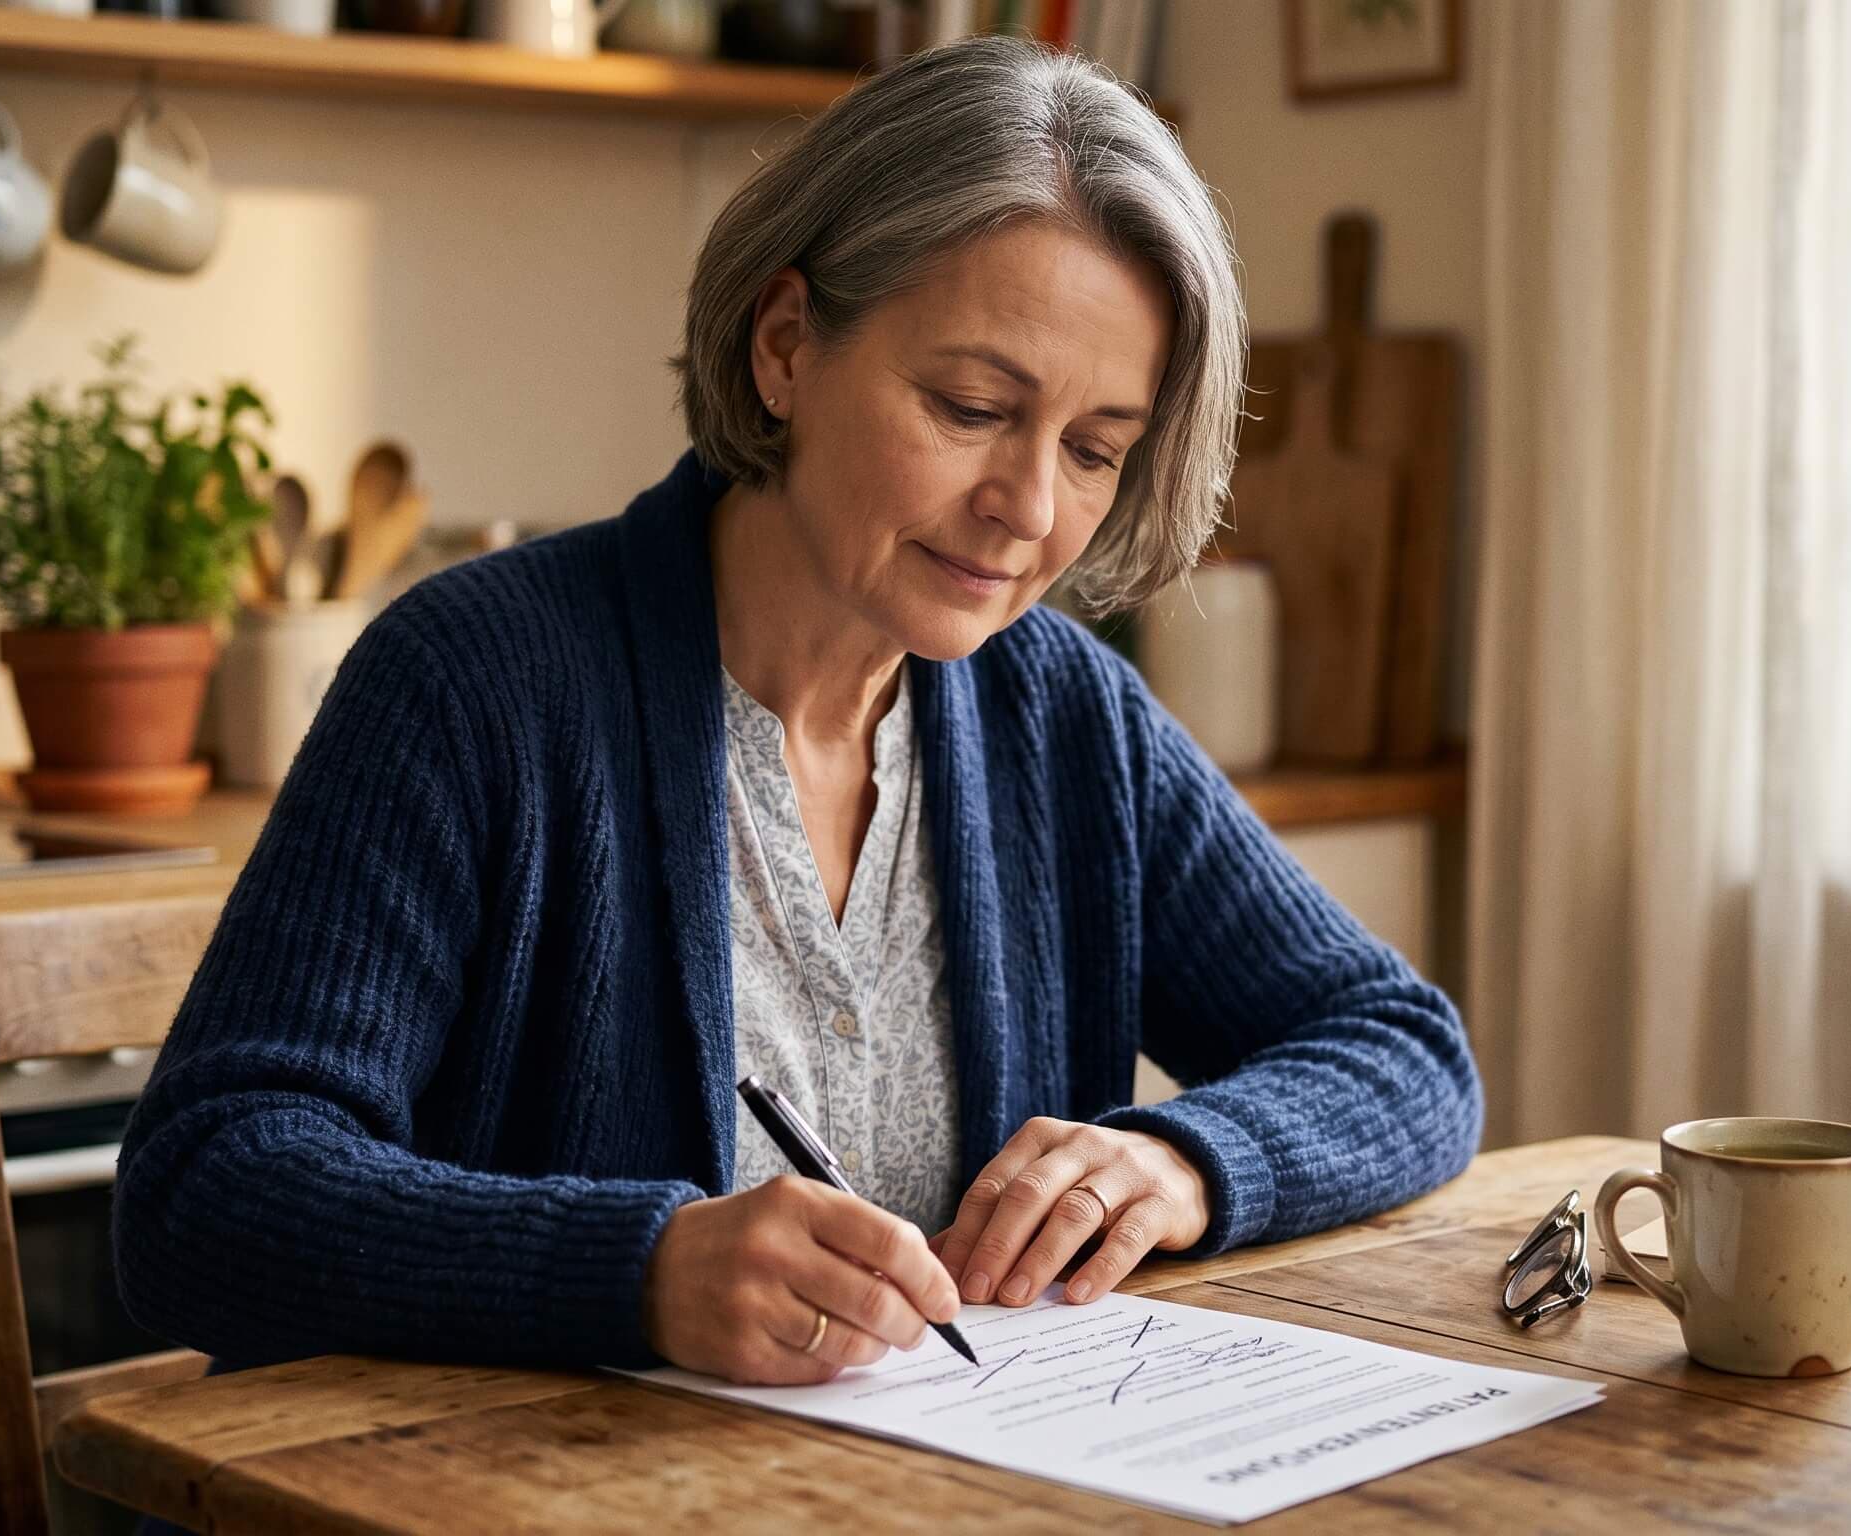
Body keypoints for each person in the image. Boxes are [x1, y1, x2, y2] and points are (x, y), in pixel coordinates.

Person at [111, 33, 1480, 1415]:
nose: (1029, 507)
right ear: (785, 348)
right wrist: (638, 1266)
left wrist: (1186, 1158)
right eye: (972, 407)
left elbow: (1403, 1048)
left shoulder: (1065, 716)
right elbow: (205, 1191)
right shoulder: (475, 681)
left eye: (1093, 449)